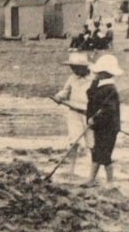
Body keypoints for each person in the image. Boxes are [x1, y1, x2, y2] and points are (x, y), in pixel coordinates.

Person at [83, 54, 123, 187]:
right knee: (96, 151)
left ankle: (110, 181)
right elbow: (90, 96)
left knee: (105, 153)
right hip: (99, 126)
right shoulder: (98, 87)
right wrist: (94, 83)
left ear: (106, 74)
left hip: (109, 127)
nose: (95, 74)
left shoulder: (110, 89)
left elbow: (108, 110)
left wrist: (95, 119)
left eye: (98, 72)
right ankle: (91, 179)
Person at [52, 52, 94, 176]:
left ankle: (93, 172)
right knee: (73, 141)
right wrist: (59, 96)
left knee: (92, 144)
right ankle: (71, 170)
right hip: (74, 112)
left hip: (90, 115)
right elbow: (66, 91)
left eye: (76, 67)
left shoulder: (94, 78)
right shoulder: (72, 78)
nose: (74, 69)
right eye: (72, 67)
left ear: (85, 67)